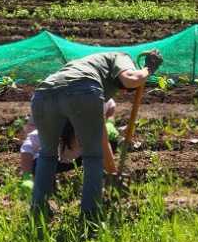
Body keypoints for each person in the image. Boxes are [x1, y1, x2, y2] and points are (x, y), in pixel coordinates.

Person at [30, 50, 162, 218]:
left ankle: (38, 211)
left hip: (42, 94)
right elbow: (132, 79)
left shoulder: (85, 66)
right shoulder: (120, 57)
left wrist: (113, 173)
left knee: (47, 155)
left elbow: (102, 137)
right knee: (92, 157)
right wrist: (148, 69)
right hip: (81, 92)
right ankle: (90, 216)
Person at [19, 99, 121, 188]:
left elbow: (110, 104)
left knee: (110, 142)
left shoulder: (93, 116)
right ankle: (47, 187)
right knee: (36, 165)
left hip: (82, 157)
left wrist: (109, 123)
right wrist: (26, 177)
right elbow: (27, 148)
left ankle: (100, 179)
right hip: (55, 160)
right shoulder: (52, 131)